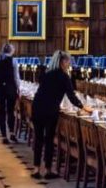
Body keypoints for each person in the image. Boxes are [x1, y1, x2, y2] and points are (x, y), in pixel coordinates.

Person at [31, 50, 92, 179]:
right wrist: (83, 107)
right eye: (68, 61)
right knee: (48, 139)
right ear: (63, 62)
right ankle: (48, 170)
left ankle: (36, 169)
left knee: (39, 138)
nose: (69, 64)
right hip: (50, 110)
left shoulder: (46, 74)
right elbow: (71, 96)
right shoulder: (64, 77)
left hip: (37, 107)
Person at [0, 43, 20, 143]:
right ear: (11, 51)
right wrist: (18, 88)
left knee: (1, 112)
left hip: (0, 89)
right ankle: (12, 133)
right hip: (11, 88)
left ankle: (4, 136)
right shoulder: (14, 61)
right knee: (11, 111)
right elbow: (16, 77)